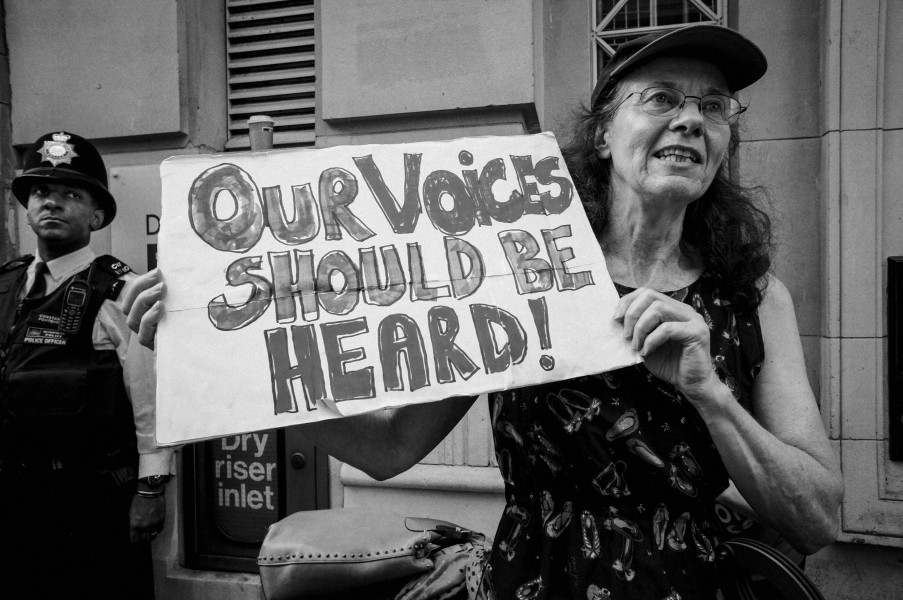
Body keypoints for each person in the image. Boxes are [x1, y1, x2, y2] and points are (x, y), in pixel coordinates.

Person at [124, 24, 843, 600]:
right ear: (600, 134)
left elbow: (814, 516)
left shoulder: (751, 296)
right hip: (533, 578)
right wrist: (225, 360)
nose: (690, 119)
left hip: (692, 583)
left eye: (712, 106)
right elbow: (389, 448)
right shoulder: (517, 272)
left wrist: (709, 393)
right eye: (660, 99)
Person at [0, 131, 174, 600]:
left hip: (91, 498)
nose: (52, 203)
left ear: (96, 215)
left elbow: (151, 400)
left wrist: (151, 490)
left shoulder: (119, 291)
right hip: (16, 494)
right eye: (41, 193)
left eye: (70, 194)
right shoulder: (7, 284)